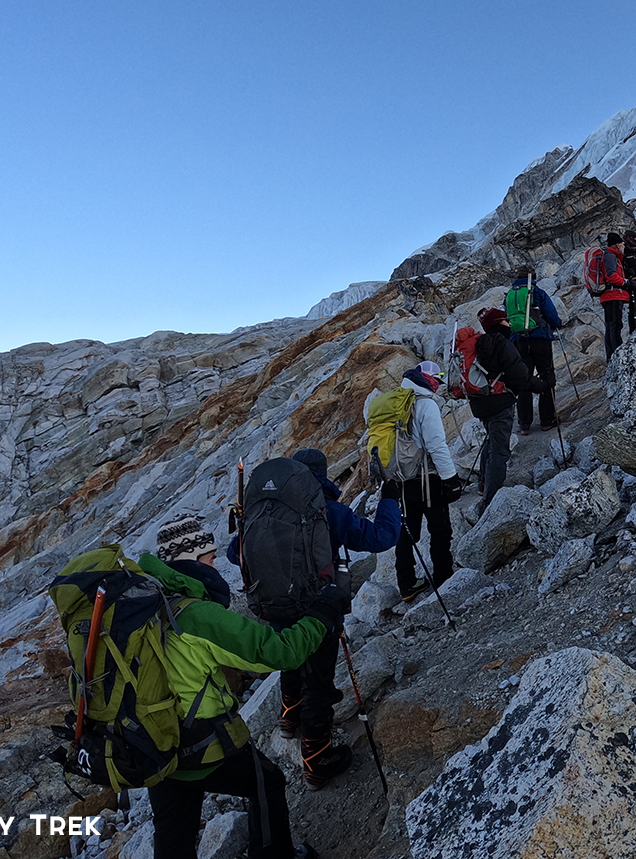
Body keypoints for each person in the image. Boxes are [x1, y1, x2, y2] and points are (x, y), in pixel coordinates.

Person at [143, 514, 345, 859]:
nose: (216, 565)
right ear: (192, 561)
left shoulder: (147, 603)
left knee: (174, 827)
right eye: (209, 558)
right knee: (266, 783)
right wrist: (323, 612)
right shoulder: (197, 615)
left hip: (152, 741)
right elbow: (279, 653)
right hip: (201, 740)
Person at [224, 448, 402, 784]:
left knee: (289, 656)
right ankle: (316, 757)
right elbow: (382, 537)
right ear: (321, 475)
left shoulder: (262, 511)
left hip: (274, 603)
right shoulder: (328, 511)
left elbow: (235, 554)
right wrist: (390, 498)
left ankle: (290, 716)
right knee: (320, 678)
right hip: (318, 608)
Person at [390, 361, 463, 601]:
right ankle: (444, 578)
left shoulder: (395, 403)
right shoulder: (425, 405)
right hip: (426, 478)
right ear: (428, 379)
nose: (439, 386)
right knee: (440, 529)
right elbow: (436, 445)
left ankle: (407, 585)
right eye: (437, 380)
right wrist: (450, 478)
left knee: (407, 532)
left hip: (400, 479)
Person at [471, 308, 549, 510]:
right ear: (498, 324)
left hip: (480, 403)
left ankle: (482, 483)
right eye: (505, 320)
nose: (509, 322)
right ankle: (491, 500)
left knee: (490, 439)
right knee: (499, 451)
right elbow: (520, 376)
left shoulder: (479, 345)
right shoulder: (502, 345)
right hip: (500, 403)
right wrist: (542, 385)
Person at [502, 267, 564, 435]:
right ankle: (547, 419)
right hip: (540, 340)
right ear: (534, 277)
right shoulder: (537, 292)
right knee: (547, 376)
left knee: (523, 380)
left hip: (519, 342)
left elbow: (505, 318)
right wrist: (557, 323)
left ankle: (524, 424)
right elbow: (551, 315)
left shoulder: (510, 295)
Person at [596, 232, 631, 360]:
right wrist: (626, 282)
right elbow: (611, 276)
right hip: (613, 295)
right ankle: (617, 357)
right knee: (615, 326)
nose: (624, 246)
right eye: (622, 243)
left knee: (611, 327)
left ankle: (611, 358)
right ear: (617, 245)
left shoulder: (611, 256)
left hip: (609, 296)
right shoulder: (611, 256)